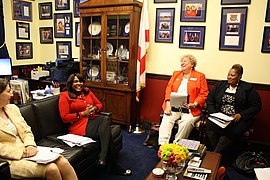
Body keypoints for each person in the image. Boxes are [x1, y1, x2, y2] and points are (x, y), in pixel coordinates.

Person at [0, 78, 78, 180]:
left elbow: (26, 130)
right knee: (52, 169)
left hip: (29, 150)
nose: (11, 94)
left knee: (62, 161)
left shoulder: (12, 108)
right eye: (8, 91)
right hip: (10, 160)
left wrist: (30, 145)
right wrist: (22, 153)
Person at [58, 73, 132, 176]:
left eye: (80, 81)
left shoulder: (87, 92)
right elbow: (64, 117)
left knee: (106, 123)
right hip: (78, 127)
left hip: (92, 120)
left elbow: (99, 104)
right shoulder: (65, 96)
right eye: (75, 81)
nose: (78, 84)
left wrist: (94, 109)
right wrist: (83, 114)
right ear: (70, 83)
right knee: (107, 130)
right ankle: (109, 162)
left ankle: (103, 158)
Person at [206, 64, 262, 153]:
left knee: (232, 130)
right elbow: (210, 100)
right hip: (220, 117)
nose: (229, 77)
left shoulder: (248, 88)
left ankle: (216, 153)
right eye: (228, 75)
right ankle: (216, 152)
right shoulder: (220, 85)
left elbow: (256, 106)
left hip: (237, 119)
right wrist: (214, 113)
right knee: (209, 124)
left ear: (239, 76)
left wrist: (241, 115)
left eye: (232, 75)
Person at [158, 54, 208, 145]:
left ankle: (177, 145)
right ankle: (162, 145)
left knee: (186, 122)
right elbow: (168, 90)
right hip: (174, 106)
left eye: (185, 61)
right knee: (166, 119)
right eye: (181, 61)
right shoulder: (176, 74)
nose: (182, 63)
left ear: (192, 64)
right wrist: (168, 105)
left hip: (191, 109)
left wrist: (194, 104)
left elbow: (203, 94)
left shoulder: (200, 76)